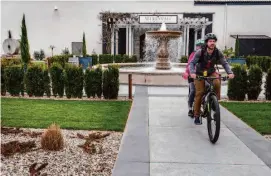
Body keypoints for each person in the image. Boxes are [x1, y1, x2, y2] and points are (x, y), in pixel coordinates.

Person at [189, 33, 235, 125]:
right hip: (199, 73)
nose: (212, 43)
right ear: (206, 43)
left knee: (217, 82)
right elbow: (192, 63)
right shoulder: (200, 52)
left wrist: (230, 72)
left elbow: (224, 63)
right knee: (200, 93)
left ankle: (215, 102)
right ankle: (197, 115)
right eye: (210, 41)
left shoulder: (218, 52)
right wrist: (192, 72)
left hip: (211, 72)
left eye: (214, 41)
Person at [183, 39, 205, 117]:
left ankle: (202, 105)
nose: (200, 47)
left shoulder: (206, 54)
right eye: (198, 46)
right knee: (192, 91)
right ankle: (190, 109)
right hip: (192, 75)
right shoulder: (193, 54)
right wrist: (187, 72)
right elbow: (189, 64)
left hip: (201, 75)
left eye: (202, 46)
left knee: (205, 90)